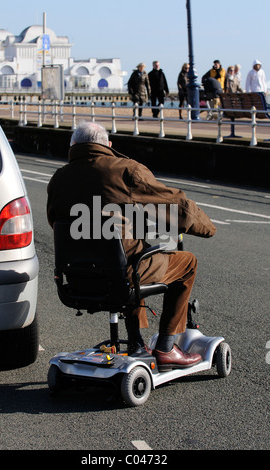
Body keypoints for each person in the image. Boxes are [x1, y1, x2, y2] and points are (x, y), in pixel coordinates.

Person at [47, 121, 216, 369]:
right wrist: (208, 228)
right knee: (184, 262)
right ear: (108, 145)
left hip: (76, 277)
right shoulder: (126, 171)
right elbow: (176, 206)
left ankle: (137, 341)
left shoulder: (59, 179)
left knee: (130, 255)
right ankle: (166, 347)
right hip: (122, 273)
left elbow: (56, 223)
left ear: (73, 146)